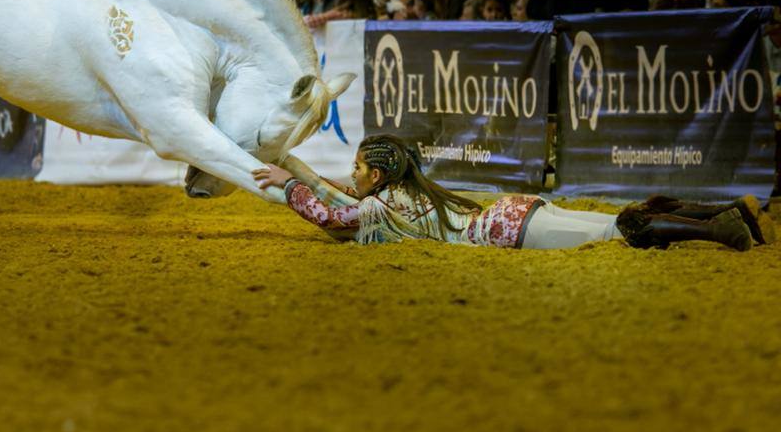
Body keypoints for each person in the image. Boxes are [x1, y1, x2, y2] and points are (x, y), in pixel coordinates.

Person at [251, 135, 761, 250]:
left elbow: (330, 215)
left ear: (378, 178)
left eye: (359, 168)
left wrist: (291, 185)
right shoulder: (401, 194)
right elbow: (342, 198)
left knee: (619, 231)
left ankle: (719, 229)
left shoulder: (379, 206)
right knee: (614, 223)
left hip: (512, 230)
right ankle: (729, 212)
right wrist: (296, 171)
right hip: (515, 213)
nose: (352, 174)